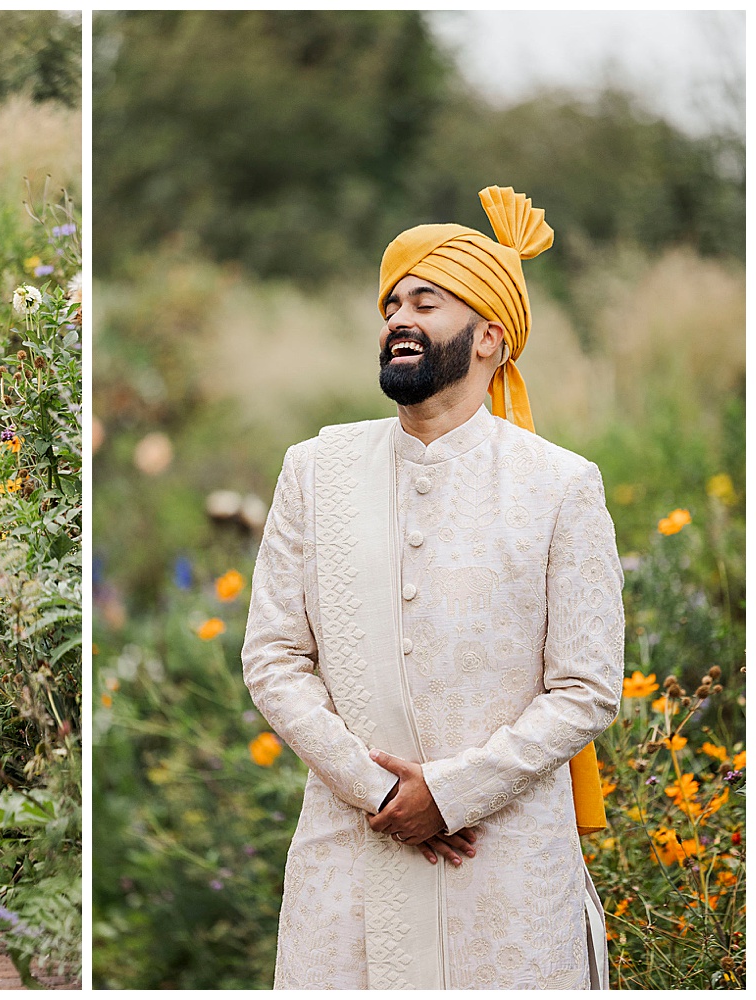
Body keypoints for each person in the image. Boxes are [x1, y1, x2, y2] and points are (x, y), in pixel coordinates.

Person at [242, 186, 623, 989]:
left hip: (506, 869)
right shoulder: (314, 469)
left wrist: (451, 795)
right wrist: (382, 790)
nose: (398, 320)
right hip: (348, 855)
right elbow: (274, 656)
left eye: (426, 301)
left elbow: (587, 688)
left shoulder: (560, 485)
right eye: (390, 306)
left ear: (491, 337)